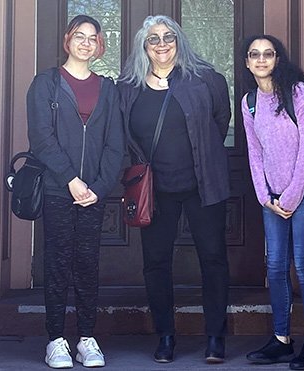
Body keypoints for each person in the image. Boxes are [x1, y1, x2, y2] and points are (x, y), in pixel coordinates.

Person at [117, 15, 231, 364]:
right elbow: (123, 136)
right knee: (155, 262)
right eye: (153, 39)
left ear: (179, 41)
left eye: (169, 37)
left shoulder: (206, 80)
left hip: (203, 184)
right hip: (155, 190)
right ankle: (165, 336)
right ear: (144, 46)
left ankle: (215, 338)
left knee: (212, 259)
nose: (162, 43)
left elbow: (220, 121)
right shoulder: (127, 88)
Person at [26, 15, 124, 369]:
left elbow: (116, 144)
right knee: (56, 264)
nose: (86, 42)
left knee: (87, 264)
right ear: (67, 41)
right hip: (57, 189)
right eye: (79, 36)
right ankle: (55, 340)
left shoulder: (108, 89)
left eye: (92, 38)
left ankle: (86, 337)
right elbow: (41, 138)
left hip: (93, 194)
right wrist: (70, 179)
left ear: (100, 45)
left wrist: (98, 187)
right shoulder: (46, 84)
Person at [240, 35, 304, 370]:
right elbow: (254, 152)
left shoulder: (297, 93)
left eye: (268, 54)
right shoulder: (249, 102)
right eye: (254, 55)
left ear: (278, 59)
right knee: (276, 267)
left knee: (303, 265)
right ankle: (281, 340)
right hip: (273, 199)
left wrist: (290, 196)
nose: (261, 60)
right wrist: (266, 197)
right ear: (247, 63)